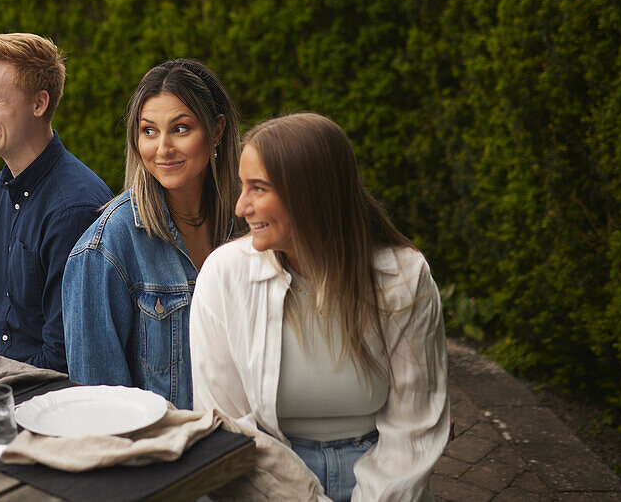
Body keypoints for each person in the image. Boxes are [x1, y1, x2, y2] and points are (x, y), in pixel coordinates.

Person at [190, 113, 449, 501]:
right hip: (263, 476)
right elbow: (228, 426)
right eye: (243, 187)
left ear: (310, 195)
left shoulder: (403, 277)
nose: (241, 206)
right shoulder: (225, 274)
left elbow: (414, 427)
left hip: (381, 474)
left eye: (258, 188)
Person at [62, 59, 242, 409]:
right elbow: (101, 407)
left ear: (217, 130)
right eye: (149, 131)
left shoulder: (247, 226)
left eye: (180, 128)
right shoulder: (104, 250)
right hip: (169, 453)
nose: (162, 149)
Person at [0, 33, 112, 372]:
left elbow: (61, 360)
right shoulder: (1, 188)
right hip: (8, 372)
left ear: (39, 104)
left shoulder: (75, 210)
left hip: (46, 394)